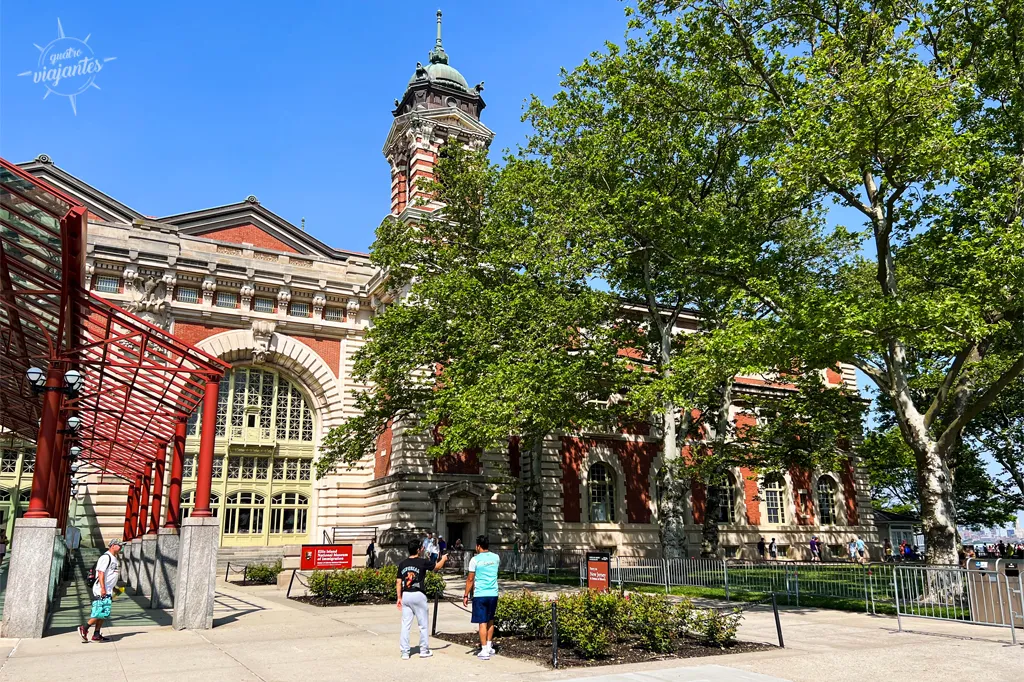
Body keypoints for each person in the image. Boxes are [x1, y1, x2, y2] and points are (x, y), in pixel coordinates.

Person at [397, 538, 447, 659]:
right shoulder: (423, 562)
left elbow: (398, 582)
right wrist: (444, 559)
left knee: (405, 624)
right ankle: (424, 650)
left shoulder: (403, 563)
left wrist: (399, 597)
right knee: (423, 624)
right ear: (418, 550)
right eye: (421, 547)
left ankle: (405, 652)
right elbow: (437, 567)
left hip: (406, 594)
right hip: (419, 594)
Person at [463, 535, 500, 660]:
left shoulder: (475, 560)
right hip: (493, 593)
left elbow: (470, 579)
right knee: (490, 620)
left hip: (480, 594)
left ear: (478, 546)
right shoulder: (496, 558)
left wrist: (465, 594)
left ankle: (484, 649)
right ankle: (489, 646)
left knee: (482, 622)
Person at [79, 538, 121, 642]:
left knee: (104, 612)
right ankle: (84, 627)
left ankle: (96, 634)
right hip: (101, 589)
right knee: (99, 611)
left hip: (108, 589)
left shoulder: (114, 558)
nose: (121, 547)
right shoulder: (106, 557)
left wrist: (114, 588)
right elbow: (101, 573)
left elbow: (110, 575)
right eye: (119, 545)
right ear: (112, 546)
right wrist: (103, 588)